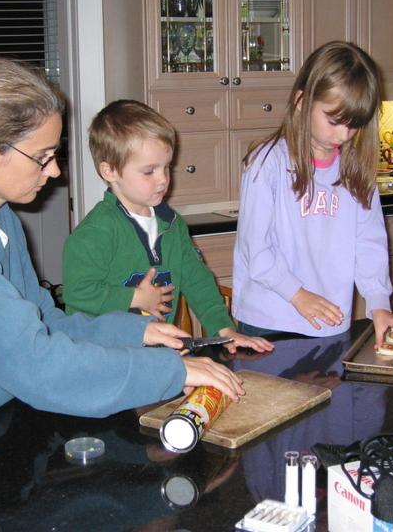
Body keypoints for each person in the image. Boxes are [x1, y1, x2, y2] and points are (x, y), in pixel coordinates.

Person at [0, 59, 244, 532]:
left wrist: (135, 332)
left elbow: (45, 322)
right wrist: (171, 371)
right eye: (42, 156)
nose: (54, 171)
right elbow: (36, 363)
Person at [232, 41, 393, 349]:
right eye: (334, 121)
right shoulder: (268, 163)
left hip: (329, 323)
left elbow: (369, 243)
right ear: (301, 101)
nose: (344, 135)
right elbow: (257, 250)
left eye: (354, 125)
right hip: (269, 321)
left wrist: (379, 304)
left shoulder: (355, 169)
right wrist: (297, 294)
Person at [62, 99, 273, 354]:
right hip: (105, 358)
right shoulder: (94, 233)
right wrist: (135, 298)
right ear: (110, 171)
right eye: (149, 171)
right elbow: (78, 293)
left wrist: (223, 329)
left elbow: (197, 279)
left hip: (157, 355)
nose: (163, 179)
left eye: (167, 167)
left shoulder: (173, 224)